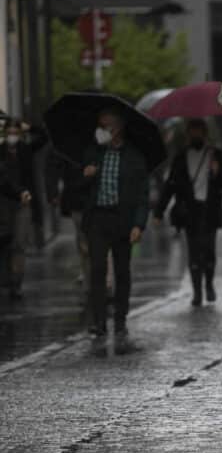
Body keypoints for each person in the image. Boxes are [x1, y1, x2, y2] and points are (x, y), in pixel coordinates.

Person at [80, 107, 149, 354]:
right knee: (97, 269)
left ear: (118, 128)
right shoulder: (93, 153)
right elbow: (77, 189)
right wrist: (86, 176)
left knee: (122, 271)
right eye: (100, 125)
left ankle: (120, 320)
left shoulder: (135, 157)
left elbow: (143, 195)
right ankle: (99, 322)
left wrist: (138, 224)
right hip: (98, 219)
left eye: (106, 125)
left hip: (123, 219)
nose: (102, 130)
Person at [154, 119, 222, 306]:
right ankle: (197, 291)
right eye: (192, 131)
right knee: (194, 252)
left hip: (210, 210)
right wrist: (158, 212)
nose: (195, 135)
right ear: (188, 134)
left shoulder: (215, 155)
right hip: (189, 211)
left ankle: (209, 285)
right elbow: (170, 186)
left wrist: (217, 172)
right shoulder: (181, 157)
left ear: (204, 133)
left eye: (199, 131)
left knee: (209, 251)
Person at [0, 119, 47, 299]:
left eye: (15, 133)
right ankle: (6, 278)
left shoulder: (25, 149)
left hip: (23, 202)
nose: (12, 136)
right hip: (4, 203)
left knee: (19, 243)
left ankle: (16, 282)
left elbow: (44, 137)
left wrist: (30, 127)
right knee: (5, 241)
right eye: (9, 132)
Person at [46, 151, 91, 298]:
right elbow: (54, 165)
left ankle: (100, 280)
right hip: (77, 197)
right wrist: (53, 192)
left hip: (98, 197)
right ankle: (89, 280)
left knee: (96, 240)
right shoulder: (65, 146)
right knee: (84, 241)